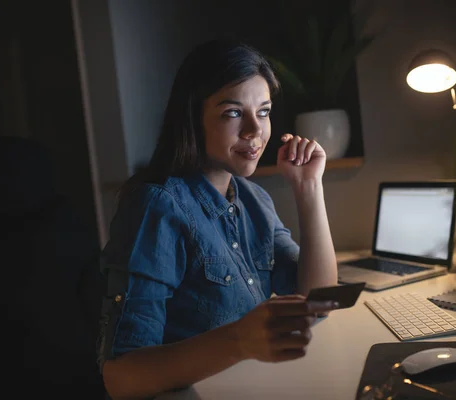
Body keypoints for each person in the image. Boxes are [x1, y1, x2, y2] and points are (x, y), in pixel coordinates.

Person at [97, 38, 339, 399]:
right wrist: (240, 340)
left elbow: (318, 301)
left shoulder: (254, 199)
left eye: (263, 111)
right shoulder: (157, 206)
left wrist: (309, 189)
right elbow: (121, 376)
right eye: (232, 113)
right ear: (193, 118)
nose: (254, 131)